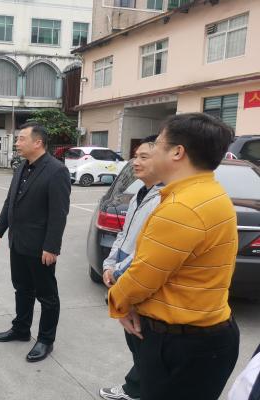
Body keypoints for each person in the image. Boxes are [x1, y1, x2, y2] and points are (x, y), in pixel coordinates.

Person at [107, 113, 240, 400]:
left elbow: (142, 277)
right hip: (204, 338)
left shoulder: (182, 207)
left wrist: (117, 301)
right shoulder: (210, 192)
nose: (150, 150)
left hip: (183, 343)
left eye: (158, 144)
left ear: (177, 152)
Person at [0, 122, 71, 362]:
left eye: (21, 138)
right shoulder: (21, 167)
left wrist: (51, 247)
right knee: (22, 289)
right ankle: (21, 329)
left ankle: (45, 340)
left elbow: (59, 213)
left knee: (47, 296)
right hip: (18, 242)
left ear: (38, 142)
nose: (17, 143)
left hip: (40, 247)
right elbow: (10, 202)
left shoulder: (56, 171)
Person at [98, 135, 162, 400]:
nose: (135, 162)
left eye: (144, 157)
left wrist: (117, 273)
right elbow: (124, 235)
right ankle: (137, 388)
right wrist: (109, 264)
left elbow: (145, 250)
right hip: (123, 272)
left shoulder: (164, 199)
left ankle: (137, 389)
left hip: (137, 277)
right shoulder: (140, 193)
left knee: (143, 340)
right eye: (135, 156)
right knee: (136, 340)